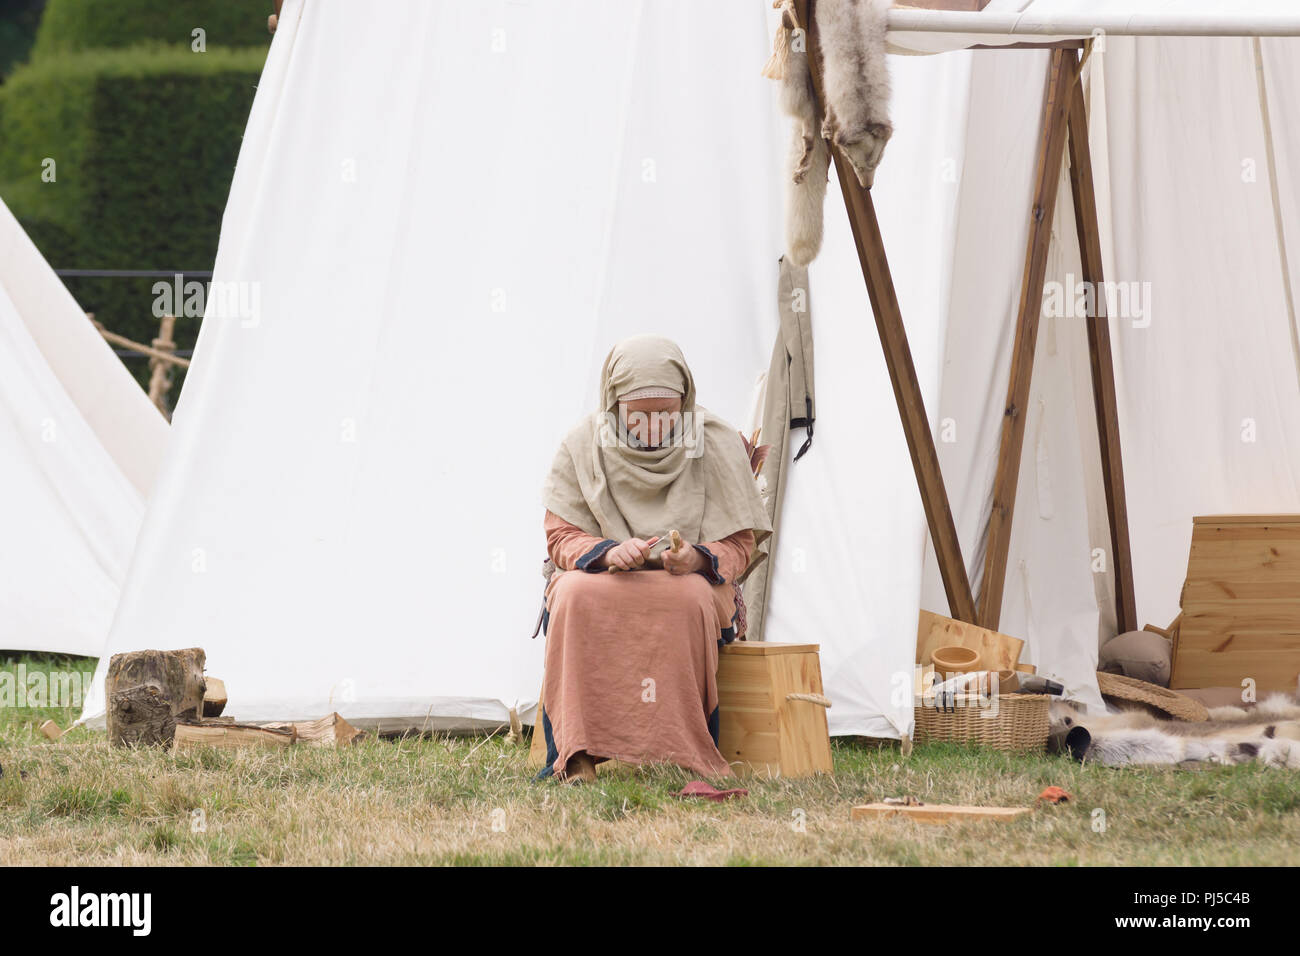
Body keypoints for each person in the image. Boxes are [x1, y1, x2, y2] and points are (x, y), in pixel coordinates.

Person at [537, 334, 771, 782]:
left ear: (685, 403)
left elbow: (741, 545)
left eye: (667, 413)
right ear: (614, 403)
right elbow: (560, 536)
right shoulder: (582, 444)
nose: (654, 426)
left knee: (685, 598)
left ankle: (686, 752)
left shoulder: (716, 441)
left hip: (688, 582)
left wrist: (699, 560)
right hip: (602, 577)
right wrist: (606, 553)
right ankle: (577, 755)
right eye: (639, 415)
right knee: (572, 594)